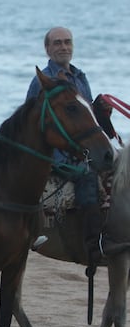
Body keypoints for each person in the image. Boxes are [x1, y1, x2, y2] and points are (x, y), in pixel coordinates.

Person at [25, 26, 118, 262]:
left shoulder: (79, 77)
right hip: (57, 154)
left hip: (82, 148)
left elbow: (85, 120)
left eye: (67, 42)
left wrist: (100, 111)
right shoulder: (43, 82)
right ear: (47, 49)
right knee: (86, 177)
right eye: (57, 43)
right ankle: (94, 243)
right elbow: (31, 124)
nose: (63, 47)